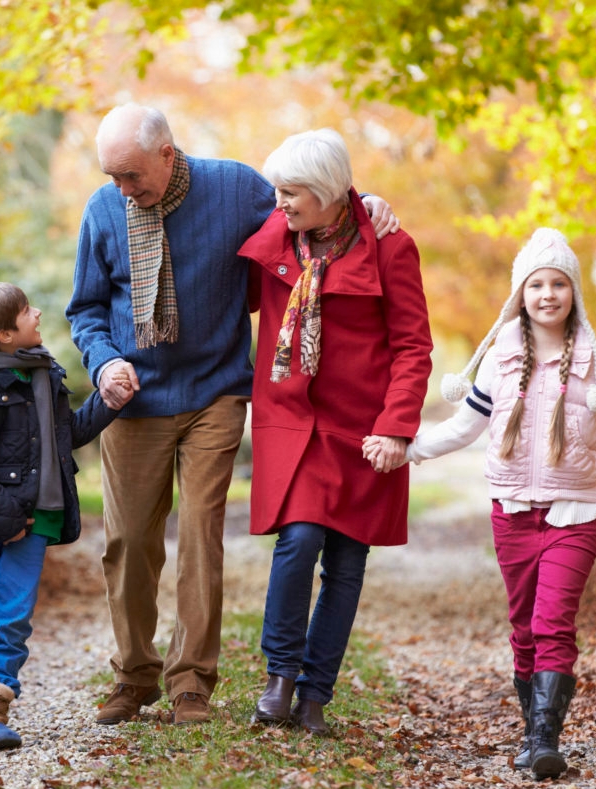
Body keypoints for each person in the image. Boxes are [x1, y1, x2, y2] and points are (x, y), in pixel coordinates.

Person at [67, 103, 398, 726]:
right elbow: (85, 308)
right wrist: (105, 360)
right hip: (132, 398)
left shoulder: (236, 188)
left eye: (132, 175)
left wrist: (366, 200)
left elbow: (313, 207)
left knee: (198, 531)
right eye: (112, 175)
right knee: (129, 541)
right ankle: (135, 674)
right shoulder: (103, 210)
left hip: (216, 391)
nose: (121, 189)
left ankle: (191, 681)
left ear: (167, 155)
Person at [377, 227, 596, 778]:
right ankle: (533, 732)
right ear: (521, 294)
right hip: (511, 510)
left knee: (553, 622)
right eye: (537, 284)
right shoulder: (500, 358)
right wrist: (409, 448)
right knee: (524, 628)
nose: (548, 294)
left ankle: (543, 740)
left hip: (574, 513)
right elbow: (465, 426)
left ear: (574, 292)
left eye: (559, 283)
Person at [238, 129, 433, 735]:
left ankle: (315, 697)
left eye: (293, 192)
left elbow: (412, 346)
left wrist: (397, 427)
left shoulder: (391, 248)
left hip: (364, 429)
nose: (280, 202)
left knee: (347, 563)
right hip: (292, 423)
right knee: (298, 543)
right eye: (278, 190)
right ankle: (280, 678)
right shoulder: (276, 235)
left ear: (327, 194)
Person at [0, 282, 128, 749]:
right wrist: (7, 518)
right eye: (25, 311)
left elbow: (66, 436)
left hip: (35, 519)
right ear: (4, 335)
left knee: (14, 616)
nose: (37, 313)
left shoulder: (45, 379)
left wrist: (108, 401)